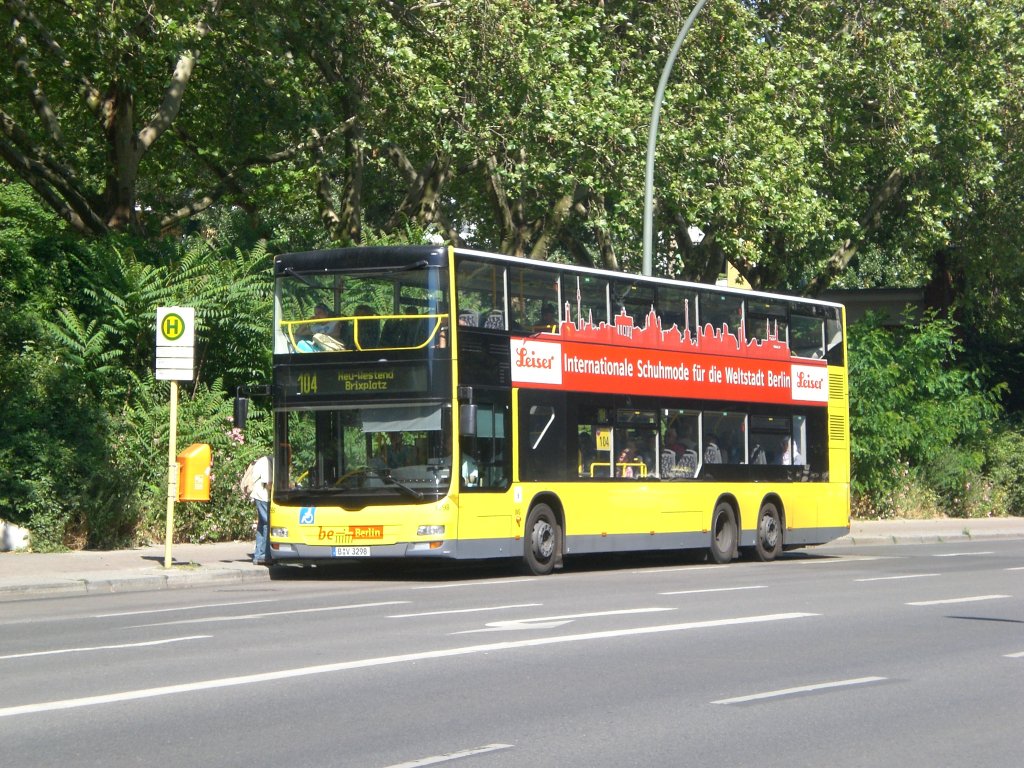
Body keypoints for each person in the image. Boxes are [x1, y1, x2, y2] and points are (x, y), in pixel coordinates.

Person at [249, 454, 271, 565]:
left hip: (260, 496)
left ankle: (258, 555)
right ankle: (264, 555)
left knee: (262, 525)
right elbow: (268, 483)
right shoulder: (268, 462)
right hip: (263, 497)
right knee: (268, 524)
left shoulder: (265, 460)